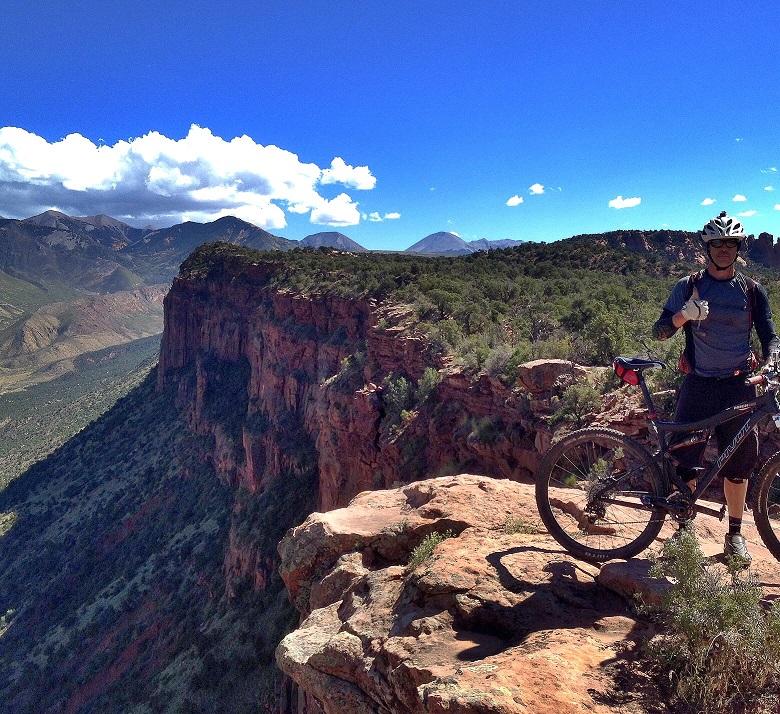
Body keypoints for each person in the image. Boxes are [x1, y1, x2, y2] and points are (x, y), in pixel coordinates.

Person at [653, 210, 780, 563]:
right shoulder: (687, 285)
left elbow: (770, 335)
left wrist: (770, 361)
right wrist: (683, 315)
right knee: (685, 461)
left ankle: (735, 537)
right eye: (716, 243)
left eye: (730, 243)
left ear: (739, 247)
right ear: (706, 247)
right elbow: (660, 332)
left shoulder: (753, 291)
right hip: (698, 385)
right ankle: (684, 534)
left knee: (738, 464)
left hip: (739, 385)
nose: (723, 249)